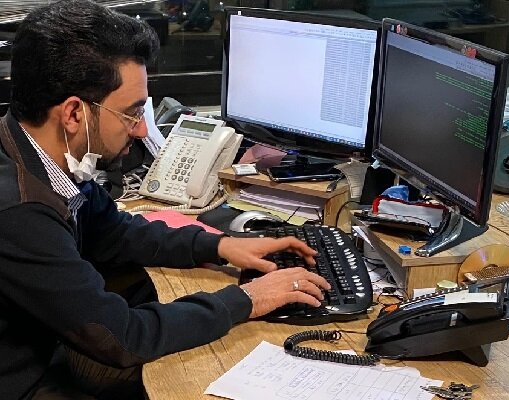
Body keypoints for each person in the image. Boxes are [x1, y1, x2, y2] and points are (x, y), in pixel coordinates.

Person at [0, 1, 330, 399]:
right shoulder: (19, 210)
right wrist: (247, 298)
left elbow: (114, 233)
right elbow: (120, 336)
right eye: (132, 113)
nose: (142, 130)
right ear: (73, 114)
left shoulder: (42, 156)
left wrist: (221, 246)